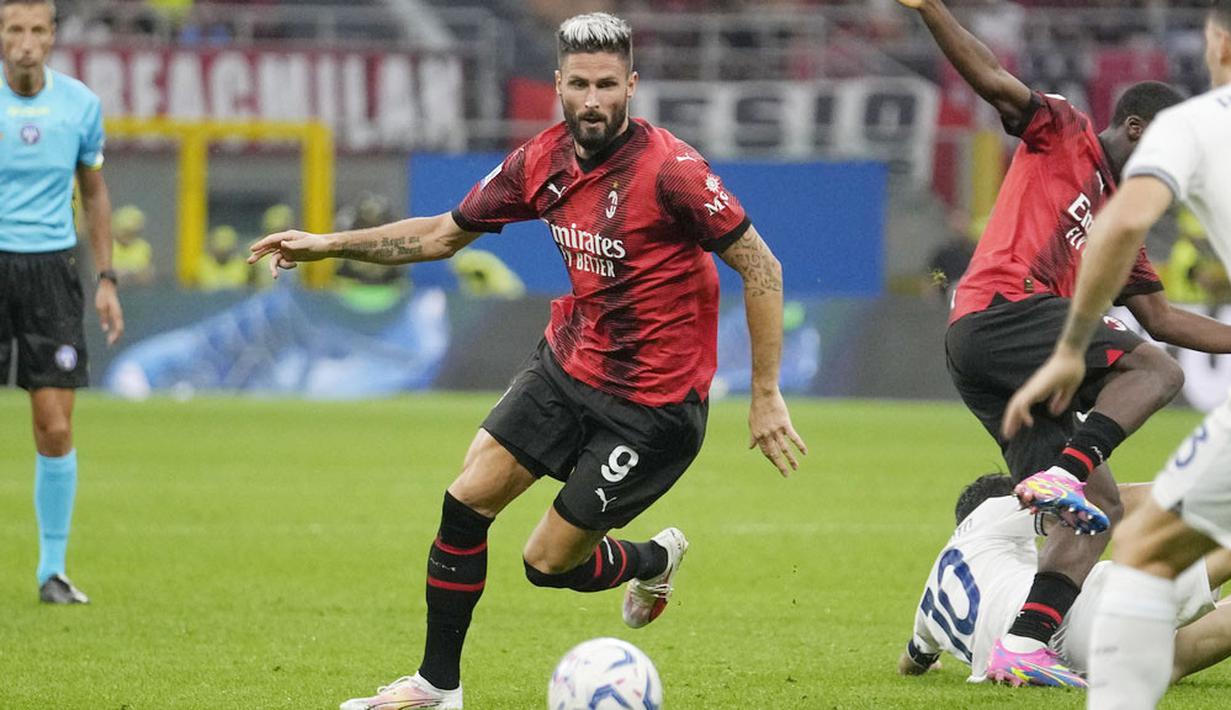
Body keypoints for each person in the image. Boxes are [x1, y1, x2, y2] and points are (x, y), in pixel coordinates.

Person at [249, 12, 807, 710]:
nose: (594, 99)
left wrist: (764, 393)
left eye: (608, 84)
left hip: (652, 409)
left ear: (631, 85)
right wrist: (328, 245)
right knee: (464, 500)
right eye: (580, 84)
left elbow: (760, 267)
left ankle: (653, 558)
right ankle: (435, 688)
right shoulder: (540, 161)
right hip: (570, 366)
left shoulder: (674, 172)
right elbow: (439, 237)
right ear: (558, 86)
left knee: (545, 564)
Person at [898, 0, 1231, 687]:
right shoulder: (1063, 130)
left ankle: (1021, 645)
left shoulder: (1123, 227)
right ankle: (1065, 470)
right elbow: (991, 78)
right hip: (1000, 309)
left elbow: (1165, 317)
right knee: (1154, 371)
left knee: (1097, 511)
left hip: (988, 357)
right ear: (1135, 128)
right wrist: (931, 9)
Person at [1003, 3, 1231, 706]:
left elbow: (1121, 219)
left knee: (1148, 557)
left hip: (1032, 324)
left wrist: (1072, 345)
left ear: (1218, 43)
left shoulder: (1193, 125)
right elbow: (1158, 314)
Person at [1, 0, 124, 604]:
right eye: (13, 29)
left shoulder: (79, 105)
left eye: (36, 30)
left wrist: (106, 277)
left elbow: (95, 195)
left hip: (52, 273)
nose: (25, 41)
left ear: (52, 37)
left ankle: (52, 571)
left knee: (54, 427)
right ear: (1, 36)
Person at [898, 474, 1231, 686]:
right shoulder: (990, 510)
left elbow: (912, 661)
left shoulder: (930, 601)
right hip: (1055, 622)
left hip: (1052, 666)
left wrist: (933, 663)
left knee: (1167, 659)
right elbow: (1103, 504)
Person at [111, 204, 156, 286]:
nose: (128, 236)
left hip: (137, 292)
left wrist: (129, 274)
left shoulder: (143, 247)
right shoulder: (108, 246)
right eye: (125, 231)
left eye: (133, 232)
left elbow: (146, 275)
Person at [196, 224, 251, 290]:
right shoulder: (201, 264)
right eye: (220, 249)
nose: (223, 252)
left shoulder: (243, 264)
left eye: (227, 249)